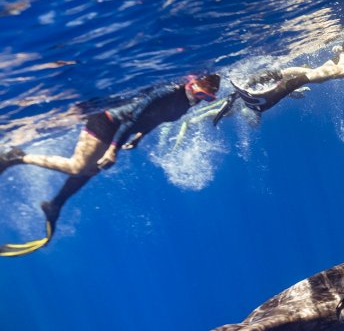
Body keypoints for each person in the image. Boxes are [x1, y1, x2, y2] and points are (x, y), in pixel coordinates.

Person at [0, 73, 221, 256]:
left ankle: (55, 203)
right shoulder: (168, 92)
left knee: (91, 169)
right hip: (107, 119)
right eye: (200, 93)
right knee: (78, 167)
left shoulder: (185, 102)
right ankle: (18, 157)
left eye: (207, 98)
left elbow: (156, 119)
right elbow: (132, 118)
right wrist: (113, 149)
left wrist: (139, 137)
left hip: (119, 130)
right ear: (191, 83)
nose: (200, 99)